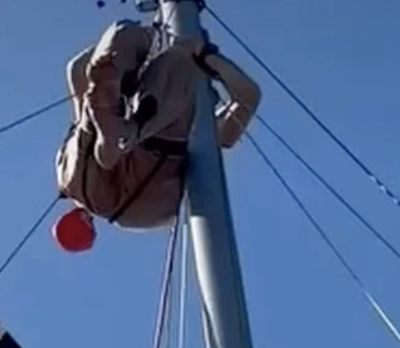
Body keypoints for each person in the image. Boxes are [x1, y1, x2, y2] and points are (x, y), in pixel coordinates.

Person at [53, 18, 261, 250]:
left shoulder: (205, 135)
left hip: (142, 158)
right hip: (91, 165)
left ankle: (117, 135)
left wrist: (206, 57)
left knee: (176, 62)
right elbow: (76, 70)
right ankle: (124, 69)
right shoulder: (69, 179)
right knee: (123, 43)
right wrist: (153, 36)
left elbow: (249, 96)